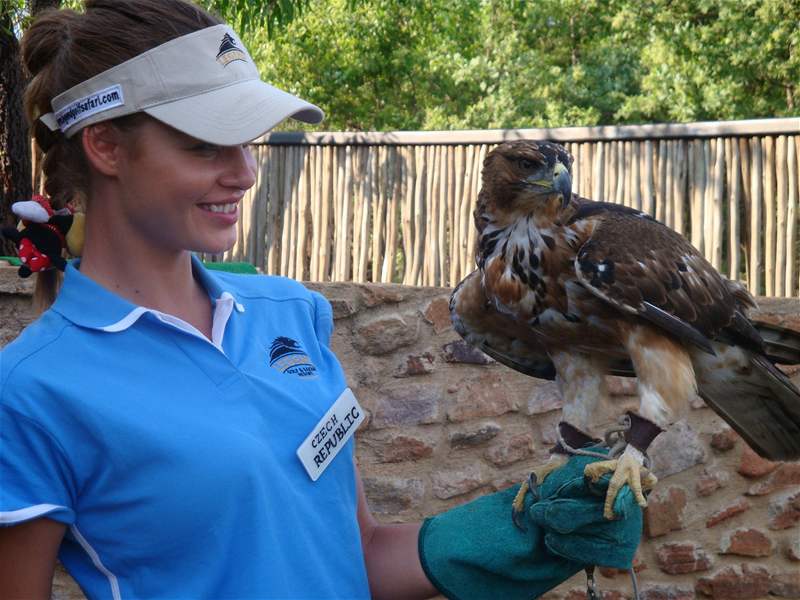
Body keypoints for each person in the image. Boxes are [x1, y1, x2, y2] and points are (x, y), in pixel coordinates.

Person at [0, 1, 643, 598]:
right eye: (204, 144)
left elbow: (355, 552)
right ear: (106, 145)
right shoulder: (32, 391)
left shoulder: (291, 315)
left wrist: (509, 537)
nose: (246, 171)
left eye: (248, 139)